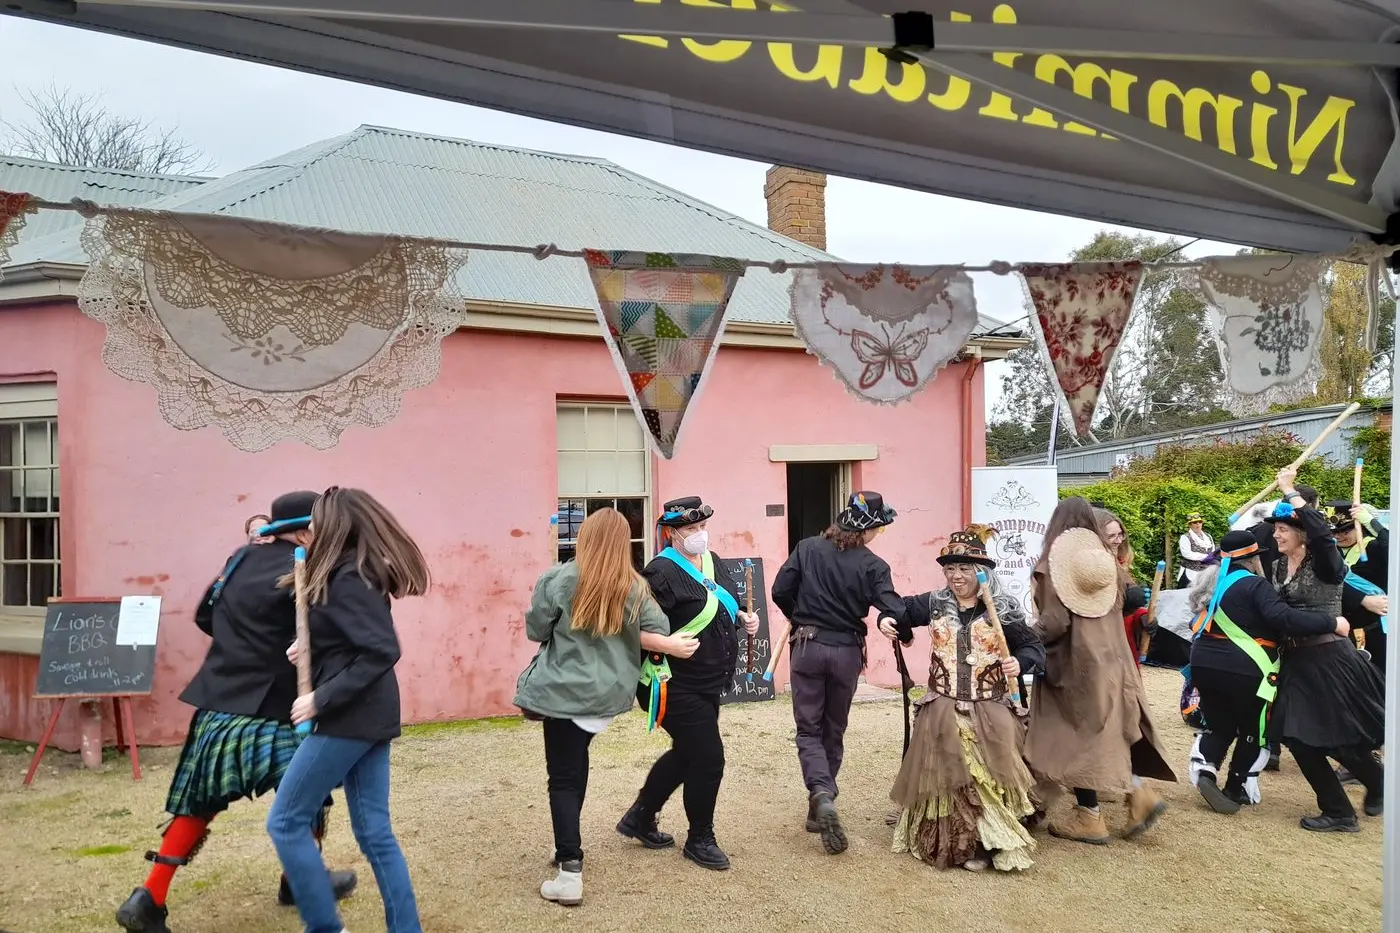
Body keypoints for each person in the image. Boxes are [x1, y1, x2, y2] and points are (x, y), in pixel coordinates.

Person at [116, 493, 357, 933]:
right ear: (306, 529)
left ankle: (149, 897)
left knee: (197, 804)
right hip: (277, 709)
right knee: (310, 794)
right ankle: (303, 882)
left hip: (220, 704)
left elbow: (206, 616)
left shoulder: (240, 559)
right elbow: (331, 634)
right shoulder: (307, 567)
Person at [515, 508, 699, 905]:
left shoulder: (559, 578)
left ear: (584, 538)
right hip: (608, 696)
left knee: (562, 777)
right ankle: (567, 841)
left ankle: (569, 868)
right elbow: (659, 629)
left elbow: (536, 630)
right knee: (576, 766)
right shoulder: (634, 586)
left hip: (563, 693)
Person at [266, 487, 429, 933]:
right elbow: (354, 640)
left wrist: (320, 697)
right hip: (368, 716)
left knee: (285, 821)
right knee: (374, 833)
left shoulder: (348, 578)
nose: (311, 528)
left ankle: (324, 926)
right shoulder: (350, 572)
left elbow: (380, 650)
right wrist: (314, 647)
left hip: (351, 718)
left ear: (334, 525)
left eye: (317, 520)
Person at [883, 525, 1045, 872]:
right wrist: (888, 619)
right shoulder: (936, 604)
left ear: (982, 572)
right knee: (951, 777)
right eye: (950, 569)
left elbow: (1033, 647)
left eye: (965, 569)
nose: (956, 576)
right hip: (943, 706)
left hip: (989, 707)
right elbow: (899, 609)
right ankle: (961, 841)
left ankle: (991, 840)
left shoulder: (1002, 609)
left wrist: (1021, 661)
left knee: (986, 776)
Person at [1023, 497, 1177, 845]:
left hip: (1076, 666)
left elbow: (1055, 622)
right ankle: (1138, 795)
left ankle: (1089, 817)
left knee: (1075, 738)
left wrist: (1021, 636)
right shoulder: (1105, 563)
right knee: (1112, 732)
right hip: (1116, 660)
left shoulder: (1056, 565)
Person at [619, 497, 760, 871]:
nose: (699, 534)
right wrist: (665, 644)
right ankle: (700, 838)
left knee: (688, 753)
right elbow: (626, 628)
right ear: (671, 533)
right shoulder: (659, 573)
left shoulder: (714, 563)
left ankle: (640, 816)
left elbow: (725, 609)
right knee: (709, 758)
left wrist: (746, 620)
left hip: (708, 680)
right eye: (690, 529)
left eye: (702, 527)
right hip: (671, 682)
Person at [771, 490, 907, 856]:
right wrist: (901, 627)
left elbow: (779, 590)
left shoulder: (807, 548)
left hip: (808, 647)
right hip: (846, 650)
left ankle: (820, 796)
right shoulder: (873, 565)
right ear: (872, 528)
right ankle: (822, 798)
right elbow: (892, 607)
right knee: (833, 728)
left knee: (808, 729)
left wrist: (797, 614)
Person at [1185, 531, 1348, 815]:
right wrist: (1330, 621)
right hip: (1246, 666)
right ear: (1252, 558)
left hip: (1202, 662)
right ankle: (1235, 788)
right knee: (1253, 727)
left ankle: (1207, 770)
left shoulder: (1210, 583)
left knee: (1220, 724)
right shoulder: (1255, 585)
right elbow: (1281, 618)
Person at [1265, 471, 1386, 832]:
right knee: (1296, 736)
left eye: (1282, 529)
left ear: (1300, 532)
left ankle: (1369, 789)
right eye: (1275, 529)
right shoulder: (1275, 565)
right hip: (1296, 660)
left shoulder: (1326, 563)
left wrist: (1290, 491)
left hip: (1330, 659)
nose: (1275, 534)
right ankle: (1342, 808)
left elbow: (1321, 531)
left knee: (1337, 734)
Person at [1327, 498, 1390, 675]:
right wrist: (1361, 599)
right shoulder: (1328, 552)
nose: (1338, 536)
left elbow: (1395, 548)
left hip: (1373, 632)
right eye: (1334, 532)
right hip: (1339, 633)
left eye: (1345, 530)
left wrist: (1372, 523)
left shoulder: (1374, 547)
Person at [1096, 509, 1152, 663]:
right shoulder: (1090, 570)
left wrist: (1142, 616)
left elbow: (1129, 614)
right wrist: (1124, 603)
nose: (1118, 540)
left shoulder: (1121, 565)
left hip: (1124, 645)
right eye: (1111, 536)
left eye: (1120, 534)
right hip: (1103, 647)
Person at [1177, 512, 1215, 588]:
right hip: (1191, 572)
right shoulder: (1185, 537)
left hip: (1206, 572)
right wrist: (1206, 557)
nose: (1198, 524)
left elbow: (1213, 550)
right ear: (1190, 525)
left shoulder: (1208, 536)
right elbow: (1187, 554)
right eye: (1195, 522)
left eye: (1200, 522)